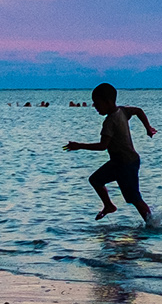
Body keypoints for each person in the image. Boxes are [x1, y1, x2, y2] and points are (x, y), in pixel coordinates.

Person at [63, 82, 155, 222]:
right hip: (118, 163)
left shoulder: (110, 122)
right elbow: (139, 111)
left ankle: (152, 224)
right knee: (95, 180)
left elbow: (102, 146)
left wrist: (79, 146)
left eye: (97, 104)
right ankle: (109, 206)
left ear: (108, 102)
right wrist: (147, 128)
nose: (95, 107)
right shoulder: (123, 111)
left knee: (134, 198)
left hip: (126, 163)